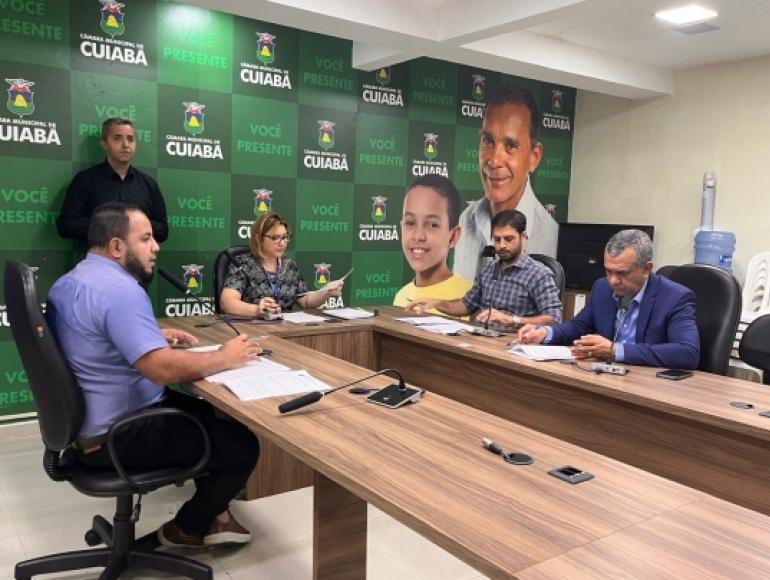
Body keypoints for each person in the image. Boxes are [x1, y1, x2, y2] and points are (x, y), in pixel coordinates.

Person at [46, 202, 260, 548]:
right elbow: (160, 369)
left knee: (212, 414)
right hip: (119, 435)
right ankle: (186, 528)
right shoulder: (120, 290)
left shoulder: (70, 282)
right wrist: (225, 356)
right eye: (146, 238)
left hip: (86, 429)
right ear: (117, 246)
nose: (156, 247)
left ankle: (218, 516)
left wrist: (149, 335)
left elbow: (90, 334)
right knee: (242, 447)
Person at [518, 229, 701, 369]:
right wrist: (546, 332)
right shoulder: (602, 288)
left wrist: (615, 350)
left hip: (648, 386)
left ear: (646, 269)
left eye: (622, 273)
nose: (613, 280)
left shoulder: (675, 297)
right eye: (608, 271)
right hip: (607, 377)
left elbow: (687, 353)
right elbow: (578, 326)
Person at [453, 83, 558, 280]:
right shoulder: (465, 220)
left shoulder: (551, 235)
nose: (494, 160)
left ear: (534, 157)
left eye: (510, 145)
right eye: (488, 142)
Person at [405, 209, 561, 328]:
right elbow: (467, 305)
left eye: (508, 239)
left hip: (516, 346)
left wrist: (512, 320)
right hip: (482, 342)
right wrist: (436, 303)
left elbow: (554, 319)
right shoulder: (488, 269)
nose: (502, 245)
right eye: (497, 239)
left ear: (523, 236)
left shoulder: (539, 274)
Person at [57, 118, 168, 249]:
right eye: (117, 138)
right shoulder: (84, 180)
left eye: (131, 139)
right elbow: (66, 226)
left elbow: (162, 231)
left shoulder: (148, 185)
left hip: (137, 259)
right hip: (97, 259)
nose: (125, 145)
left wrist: (134, 224)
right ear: (104, 144)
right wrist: (107, 226)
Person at [220, 212, 343, 317]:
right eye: (275, 238)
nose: (282, 243)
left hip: (285, 329)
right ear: (258, 239)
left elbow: (305, 301)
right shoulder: (243, 264)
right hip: (253, 328)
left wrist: (326, 291)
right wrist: (257, 310)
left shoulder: (289, 266)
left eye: (284, 237)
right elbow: (227, 302)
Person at [393, 175, 472, 312]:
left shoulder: (471, 298)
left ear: (453, 237)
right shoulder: (401, 296)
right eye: (410, 223)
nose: (418, 236)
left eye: (432, 225)